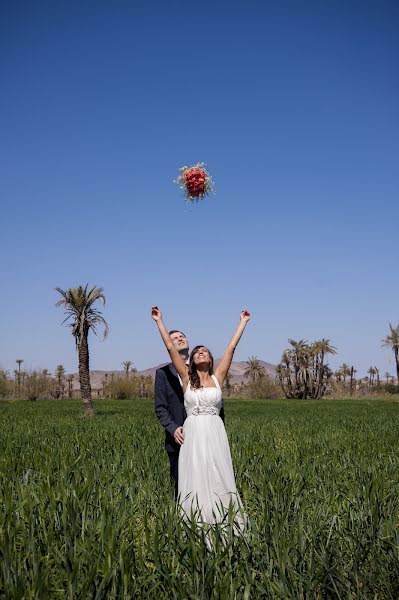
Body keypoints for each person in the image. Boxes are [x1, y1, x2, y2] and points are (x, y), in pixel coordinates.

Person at [151, 306, 250, 528]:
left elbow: (231, 348)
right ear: (192, 360)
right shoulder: (186, 377)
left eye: (205, 350)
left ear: (211, 358)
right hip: (193, 431)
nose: (201, 352)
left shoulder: (218, 377)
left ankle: (221, 519)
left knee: (218, 472)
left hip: (215, 431)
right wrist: (159, 321)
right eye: (197, 352)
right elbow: (170, 348)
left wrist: (242, 323)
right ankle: (195, 522)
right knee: (194, 473)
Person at [154, 329, 225, 498]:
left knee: (211, 479)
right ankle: (182, 522)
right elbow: (161, 408)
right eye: (175, 338)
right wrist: (173, 429)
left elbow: (217, 404)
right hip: (179, 438)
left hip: (207, 436)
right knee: (181, 488)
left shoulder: (205, 372)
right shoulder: (163, 373)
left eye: (182, 336)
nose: (179, 339)